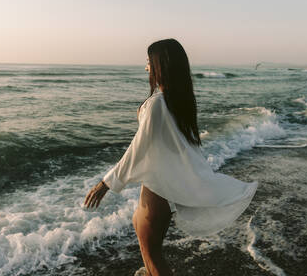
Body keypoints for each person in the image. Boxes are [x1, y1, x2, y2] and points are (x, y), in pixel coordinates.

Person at [84, 38, 258, 276]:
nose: (145, 67)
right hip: (162, 189)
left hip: (157, 192)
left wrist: (106, 183)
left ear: (160, 65)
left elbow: (138, 148)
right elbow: (182, 149)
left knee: (153, 260)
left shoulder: (156, 104)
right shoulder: (180, 103)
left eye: (148, 62)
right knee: (151, 255)